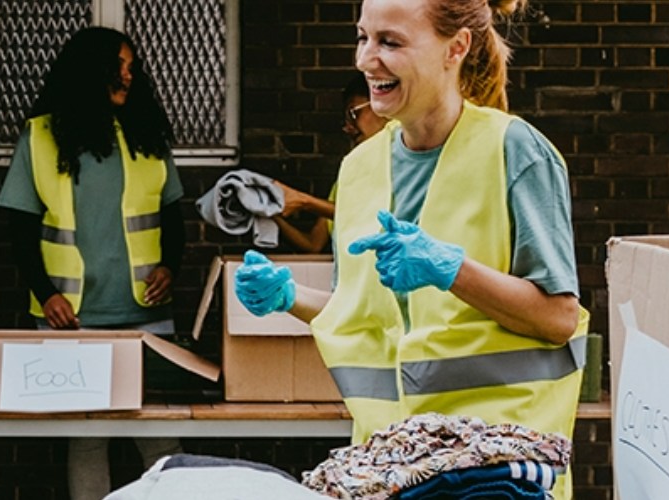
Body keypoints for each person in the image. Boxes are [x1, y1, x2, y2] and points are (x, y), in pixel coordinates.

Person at [234, 0, 587, 498]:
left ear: (456, 48)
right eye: (363, 37)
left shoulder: (515, 151)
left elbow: (558, 319)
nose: (365, 59)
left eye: (390, 42)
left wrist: (452, 269)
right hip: (389, 471)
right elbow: (370, 319)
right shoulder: (358, 169)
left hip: (497, 471)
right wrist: (290, 297)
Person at [0, 27, 187, 500]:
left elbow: (173, 217)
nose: (128, 76)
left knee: (161, 439)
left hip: (145, 314)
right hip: (71, 318)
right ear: (89, 73)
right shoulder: (41, 136)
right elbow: (19, 229)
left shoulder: (146, 134)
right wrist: (46, 294)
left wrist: (170, 267)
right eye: (118, 67)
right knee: (87, 439)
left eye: (132, 68)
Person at [272, 76, 390, 253]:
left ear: (382, 106)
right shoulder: (349, 173)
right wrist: (269, 213)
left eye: (353, 114)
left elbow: (373, 218)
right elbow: (313, 244)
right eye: (346, 119)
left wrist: (304, 201)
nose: (348, 127)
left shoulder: (401, 161)